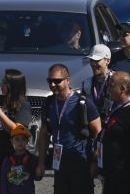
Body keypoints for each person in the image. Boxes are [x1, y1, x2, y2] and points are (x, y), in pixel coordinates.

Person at [35, 64, 101, 194]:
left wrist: (96, 161)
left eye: (57, 81)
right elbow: (44, 134)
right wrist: (41, 162)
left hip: (80, 160)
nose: (53, 84)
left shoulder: (82, 103)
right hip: (59, 161)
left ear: (68, 80)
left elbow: (99, 132)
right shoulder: (48, 103)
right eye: (50, 81)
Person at [97, 71, 130, 194]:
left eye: (111, 85)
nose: (108, 89)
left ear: (122, 88)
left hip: (128, 177)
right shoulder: (117, 107)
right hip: (113, 174)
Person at [0, 69, 33, 194]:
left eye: (4, 82)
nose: (1, 85)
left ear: (12, 86)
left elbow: (18, 129)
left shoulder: (23, 105)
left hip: (12, 163)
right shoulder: (0, 101)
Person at [0, 124, 38, 194]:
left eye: (23, 139)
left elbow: (37, 177)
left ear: (27, 141)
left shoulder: (32, 159)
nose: (20, 142)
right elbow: (3, 181)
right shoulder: (7, 159)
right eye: (17, 139)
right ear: (12, 141)